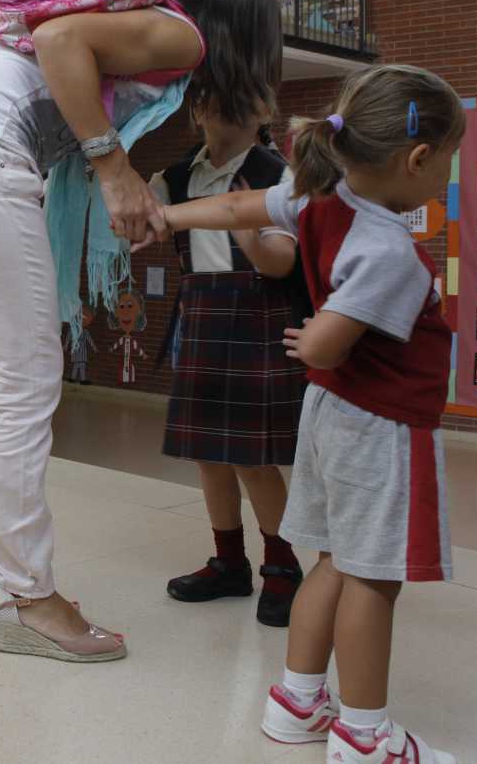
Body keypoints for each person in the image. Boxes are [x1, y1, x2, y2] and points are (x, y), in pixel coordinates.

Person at [0, 0, 281, 664]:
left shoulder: (147, 27)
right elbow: (60, 40)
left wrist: (114, 173)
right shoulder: (182, 37)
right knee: (26, 378)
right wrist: (112, 166)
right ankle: (29, 596)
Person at [158, 64, 464, 764]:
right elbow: (329, 335)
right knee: (374, 575)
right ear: (417, 159)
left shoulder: (320, 197)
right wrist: (314, 336)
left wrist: (169, 214)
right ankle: (364, 734)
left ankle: (298, 700)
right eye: (447, 161)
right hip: (379, 427)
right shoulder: (393, 248)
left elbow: (238, 209)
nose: (447, 175)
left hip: (328, 417)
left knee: (331, 558)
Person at [151, 100, 308, 628]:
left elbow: (284, 259)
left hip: (259, 312)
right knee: (208, 455)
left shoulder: (278, 172)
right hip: (201, 313)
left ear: (264, 106)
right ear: (197, 109)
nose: (226, 107)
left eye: (243, 95)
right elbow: (134, 229)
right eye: (215, 96)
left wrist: (252, 242)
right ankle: (229, 563)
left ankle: (283, 569)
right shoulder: (172, 177)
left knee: (251, 457)